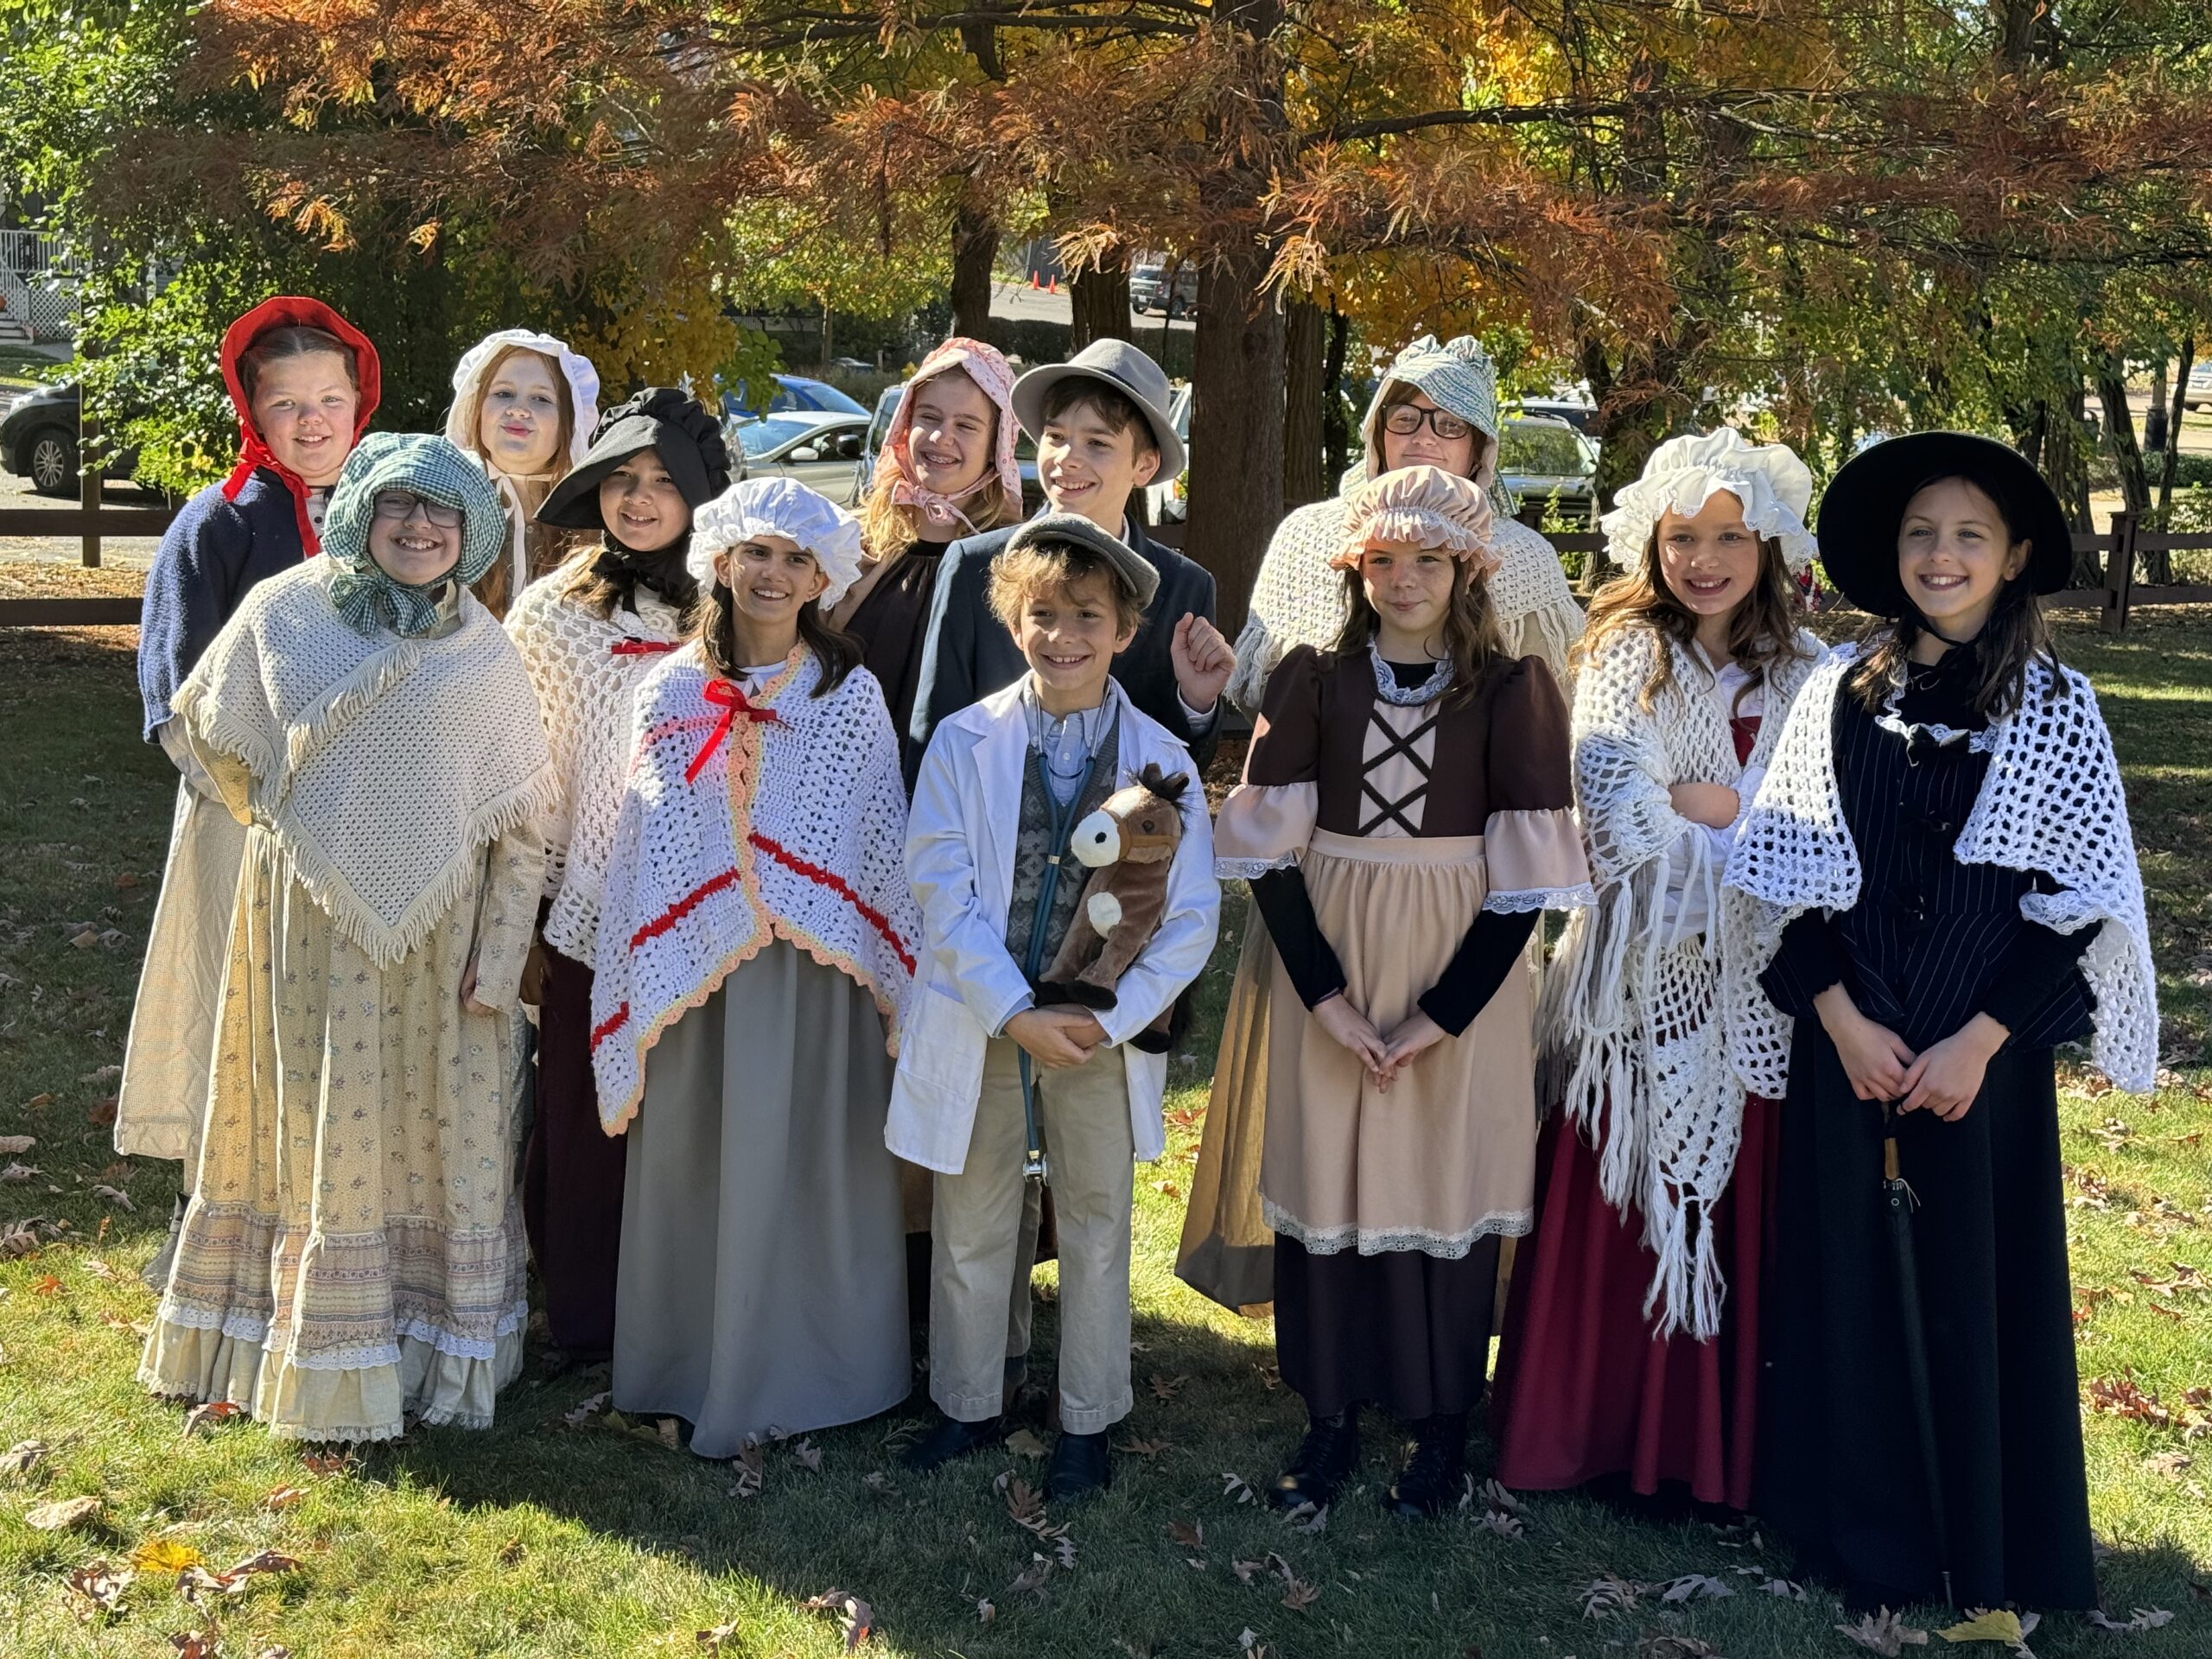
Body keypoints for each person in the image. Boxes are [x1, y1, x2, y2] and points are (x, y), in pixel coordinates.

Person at [1726, 432, 2158, 1611]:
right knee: (1849, 1286)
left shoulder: (2056, 710)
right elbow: (1778, 882)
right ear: (1893, 551)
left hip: (1981, 1061)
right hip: (1850, 1043)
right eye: (1922, 533)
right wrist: (1840, 1020)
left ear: (2013, 557)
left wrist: (1980, 1040)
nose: (1942, 554)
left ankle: (1988, 1535)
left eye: (1970, 535)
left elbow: (2079, 908)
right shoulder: (1836, 695)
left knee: (1976, 1293)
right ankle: (1857, 1537)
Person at [137, 432, 556, 1440]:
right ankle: (297, 1338)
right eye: (397, 505)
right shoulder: (285, 611)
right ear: (360, 512)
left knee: (428, 1135)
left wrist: (501, 960)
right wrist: (287, 828)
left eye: (443, 510)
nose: (419, 526)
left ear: (472, 531)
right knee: (313, 1125)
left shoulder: (486, 650)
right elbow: (208, 736)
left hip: (444, 948)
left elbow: (525, 825)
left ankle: (419, 1341)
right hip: (307, 935)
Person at [1210, 466, 1592, 1517]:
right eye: (1383, 559)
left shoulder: (1510, 691)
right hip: (1329, 960)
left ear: (1467, 570)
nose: (1404, 578)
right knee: (1329, 1171)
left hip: (1459, 971)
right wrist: (1328, 1001)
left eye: (1428, 559)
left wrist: (1437, 1018)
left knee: (1440, 1176)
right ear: (1356, 567)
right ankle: (1328, 1412)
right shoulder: (1311, 680)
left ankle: (1439, 1423)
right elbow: (1271, 860)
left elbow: (1523, 891)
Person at [1179, 332, 1584, 1315]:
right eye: (1405, 417)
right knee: (1328, 1113)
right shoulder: (1307, 539)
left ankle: (1434, 1343)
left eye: (1449, 424)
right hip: (1327, 886)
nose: (1424, 438)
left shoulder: (1522, 566)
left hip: (1462, 897)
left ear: (1481, 446)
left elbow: (1547, 717)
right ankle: (1330, 1335)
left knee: (1444, 1127)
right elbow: (1268, 701)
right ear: (1375, 431)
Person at [1488, 429, 1826, 1513]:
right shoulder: (1625, 653)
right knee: (1618, 1204)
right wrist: (1737, 819)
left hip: (1757, 996)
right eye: (1682, 537)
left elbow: (1814, 831)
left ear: (1768, 545)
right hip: (1629, 995)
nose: (1704, 560)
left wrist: (1704, 809)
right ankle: (1588, 1437)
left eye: (1729, 537)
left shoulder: (1812, 675)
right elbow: (1613, 821)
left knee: (1735, 1212)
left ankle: (1713, 1457)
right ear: (1651, 543)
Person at [889, 514, 1219, 1499]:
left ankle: (1088, 1415)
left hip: (1095, 1030)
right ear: (1012, 621)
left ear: (1125, 631)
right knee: (974, 1212)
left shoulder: (1164, 759)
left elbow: (1191, 918)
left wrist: (1108, 1019)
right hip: (984, 1014)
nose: (1062, 636)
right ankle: (968, 1401)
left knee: (1095, 1216)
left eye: (1086, 617)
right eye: (1042, 615)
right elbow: (940, 887)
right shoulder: (964, 743)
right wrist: (1010, 1009)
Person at [589, 476, 921, 1455]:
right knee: (700, 1158)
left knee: (809, 1158)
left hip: (814, 972)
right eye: (757, 554)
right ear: (722, 563)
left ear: (822, 578)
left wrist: (809, 908)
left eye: (795, 559)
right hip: (696, 974)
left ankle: (824, 1370)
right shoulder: (668, 689)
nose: (774, 574)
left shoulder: (848, 696)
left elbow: (873, 838)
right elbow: (643, 839)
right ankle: (685, 1362)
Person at [121, 297, 380, 1287]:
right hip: (247, 819)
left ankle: (326, 1226)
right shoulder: (220, 522)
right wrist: (254, 791)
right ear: (252, 409)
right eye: (287, 404)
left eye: (329, 400)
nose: (313, 422)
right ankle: (212, 1226)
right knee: (238, 1015)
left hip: (363, 822)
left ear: (359, 401)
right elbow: (176, 691)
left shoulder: (389, 516)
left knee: (335, 1023)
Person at [508, 387, 734, 1358]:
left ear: (699, 495)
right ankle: (583, 1310)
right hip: (584, 902)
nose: (639, 501)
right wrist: (526, 913)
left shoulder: (733, 608)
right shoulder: (553, 615)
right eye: (622, 480)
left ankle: (678, 1306)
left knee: (680, 1106)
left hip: (702, 903)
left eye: (663, 483)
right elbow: (527, 773)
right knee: (579, 1103)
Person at [908, 338, 1233, 774]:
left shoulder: (1184, 587)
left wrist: (1196, 703)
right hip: (983, 811)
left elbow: (1182, 772)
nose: (1068, 459)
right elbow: (932, 736)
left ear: (1144, 466)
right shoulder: (973, 566)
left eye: (1097, 443)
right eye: (1056, 437)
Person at [830, 336, 1024, 776]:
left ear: (996, 444)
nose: (941, 437)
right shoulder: (853, 543)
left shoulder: (1012, 559)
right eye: (929, 417)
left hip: (958, 788)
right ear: (905, 424)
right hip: (846, 779)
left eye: (967, 425)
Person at [442, 327, 601, 617]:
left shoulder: (600, 526)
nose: (518, 410)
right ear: (475, 409)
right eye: (503, 394)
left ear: (571, 420)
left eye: (540, 399)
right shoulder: (439, 512)